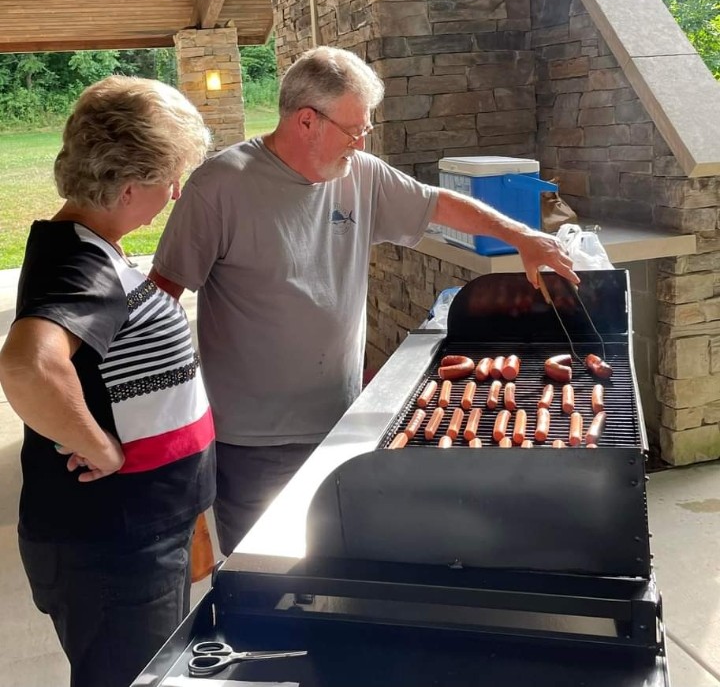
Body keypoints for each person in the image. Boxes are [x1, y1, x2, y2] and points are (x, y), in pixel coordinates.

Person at [150, 46, 579, 557]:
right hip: (253, 442)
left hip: (342, 420)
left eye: (365, 131)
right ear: (307, 121)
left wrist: (521, 235)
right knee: (261, 576)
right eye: (354, 129)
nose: (360, 142)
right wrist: (164, 425)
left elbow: (438, 204)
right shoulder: (220, 186)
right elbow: (162, 299)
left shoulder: (360, 173)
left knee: (339, 563)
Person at [0, 76, 216, 687]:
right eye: (170, 178)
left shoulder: (88, 247)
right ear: (128, 186)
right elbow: (27, 364)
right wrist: (100, 447)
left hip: (138, 533)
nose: (175, 193)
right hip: (115, 548)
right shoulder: (80, 263)